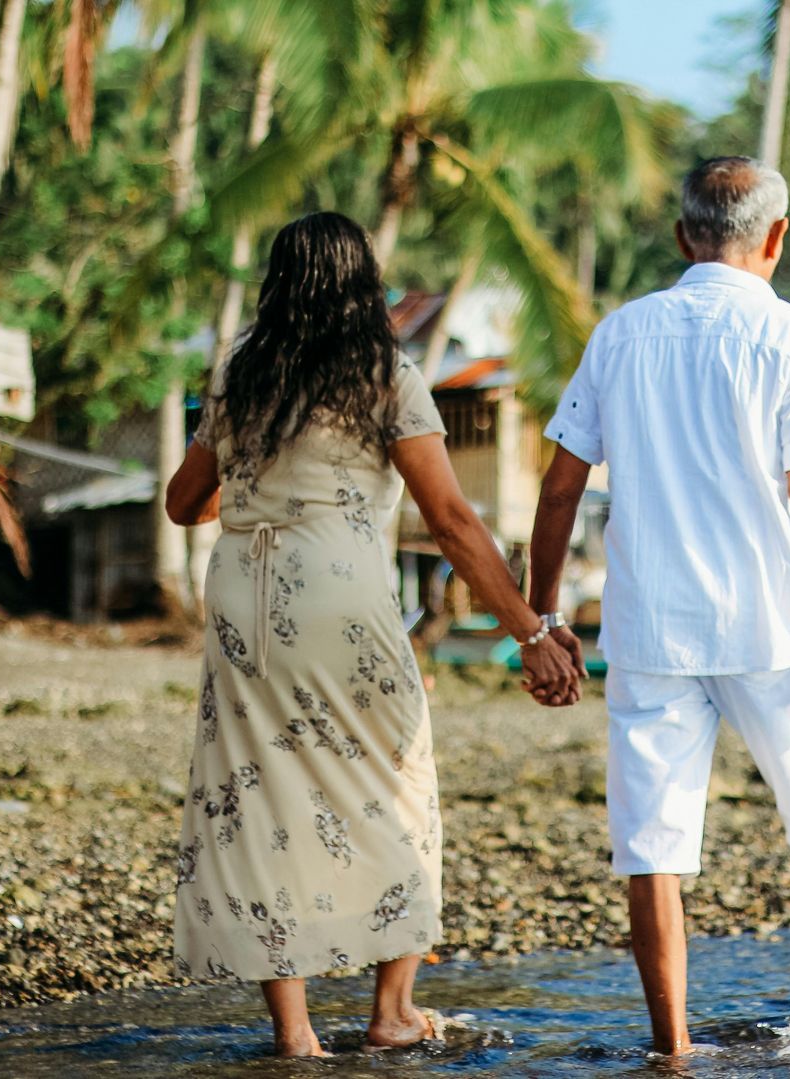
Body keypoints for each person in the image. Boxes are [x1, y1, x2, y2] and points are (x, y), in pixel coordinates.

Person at [163, 211, 580, 1058]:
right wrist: (531, 630)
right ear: (364, 284)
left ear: (280, 281)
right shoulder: (384, 372)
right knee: (395, 781)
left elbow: (183, 501)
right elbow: (453, 520)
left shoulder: (241, 373)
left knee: (260, 791)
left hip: (247, 598)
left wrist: (252, 493)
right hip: (341, 596)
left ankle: (297, 1032)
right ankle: (391, 1012)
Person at [527, 156, 790, 1054]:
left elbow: (562, 485)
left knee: (653, 841)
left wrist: (544, 616)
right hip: (769, 626)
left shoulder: (620, 333)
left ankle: (672, 1044)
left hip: (651, 630)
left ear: (683, 236)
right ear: (776, 237)